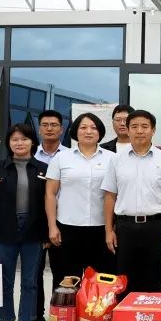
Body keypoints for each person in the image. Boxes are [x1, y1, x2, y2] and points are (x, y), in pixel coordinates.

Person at [0, 123, 49, 321]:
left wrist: (47, 234)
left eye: (24, 139)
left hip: (33, 232)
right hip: (4, 232)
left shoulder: (43, 169)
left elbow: (49, 204)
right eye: (15, 139)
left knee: (30, 282)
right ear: (8, 143)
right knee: (3, 282)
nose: (20, 143)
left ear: (32, 142)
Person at [103, 110, 161, 293]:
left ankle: (151, 311)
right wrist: (108, 230)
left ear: (153, 130)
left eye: (145, 126)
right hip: (125, 227)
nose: (139, 131)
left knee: (152, 279)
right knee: (124, 280)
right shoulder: (116, 160)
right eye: (134, 126)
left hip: (155, 227)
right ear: (128, 130)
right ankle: (126, 311)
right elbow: (109, 196)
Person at [45, 113, 115, 286]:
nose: (88, 131)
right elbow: (50, 194)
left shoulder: (112, 158)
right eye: (83, 127)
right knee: (66, 283)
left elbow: (115, 195)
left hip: (101, 230)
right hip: (68, 229)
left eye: (93, 128)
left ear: (100, 132)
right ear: (76, 131)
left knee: (100, 285)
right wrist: (52, 226)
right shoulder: (61, 158)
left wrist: (112, 229)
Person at [31, 109, 66, 321]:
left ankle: (59, 314)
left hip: (62, 221)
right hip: (36, 221)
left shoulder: (70, 155)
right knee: (34, 271)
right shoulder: (30, 155)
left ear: (61, 129)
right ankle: (35, 314)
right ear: (39, 129)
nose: (49, 128)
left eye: (54, 125)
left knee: (60, 270)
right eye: (45, 125)